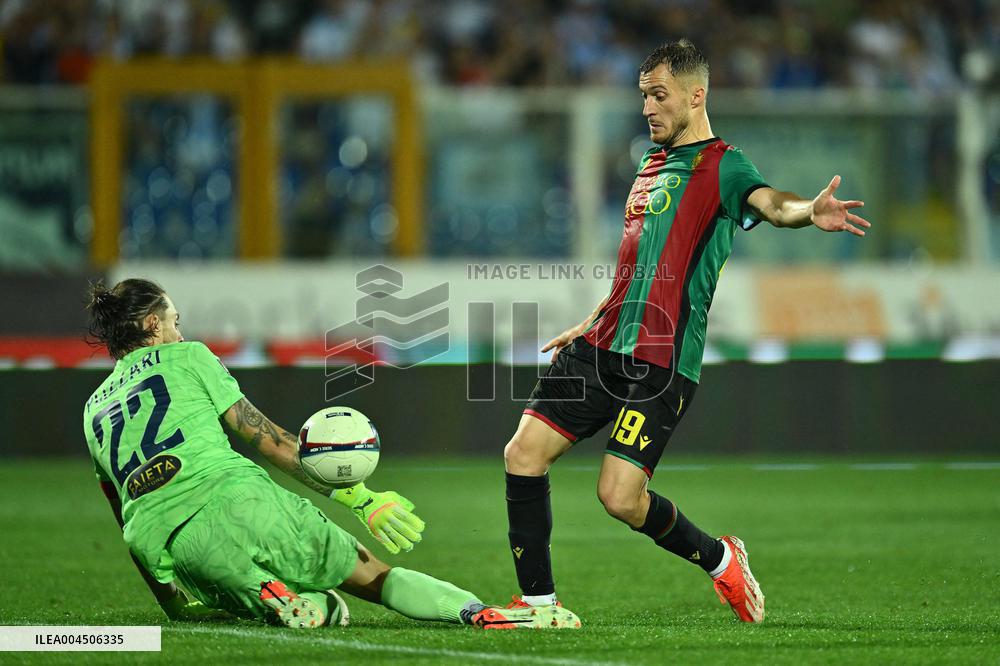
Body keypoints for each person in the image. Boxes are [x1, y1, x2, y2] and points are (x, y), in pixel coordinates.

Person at [503, 39, 871, 623]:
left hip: (661, 361)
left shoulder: (724, 164)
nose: (648, 108)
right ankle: (539, 605)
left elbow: (771, 204)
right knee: (522, 453)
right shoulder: (649, 166)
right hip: (600, 344)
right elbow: (639, 268)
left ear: (696, 95)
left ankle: (720, 558)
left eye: (659, 95)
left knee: (618, 498)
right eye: (643, 95)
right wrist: (595, 317)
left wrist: (808, 212)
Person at [84, 278, 580, 630]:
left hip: (176, 545)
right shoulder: (188, 357)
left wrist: (170, 600)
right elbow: (270, 441)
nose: (180, 330)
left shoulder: (92, 411)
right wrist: (359, 498)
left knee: (275, 601)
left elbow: (125, 514)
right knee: (373, 578)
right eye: (174, 321)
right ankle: (478, 613)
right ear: (152, 324)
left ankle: (277, 596)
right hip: (240, 497)